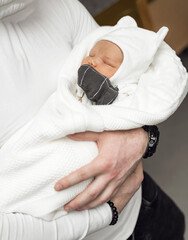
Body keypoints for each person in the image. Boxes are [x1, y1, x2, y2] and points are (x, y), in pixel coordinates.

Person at [0, 0, 186, 239]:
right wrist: (108, 213)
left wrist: (143, 136)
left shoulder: (57, 5)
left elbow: (131, 77)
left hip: (142, 204)